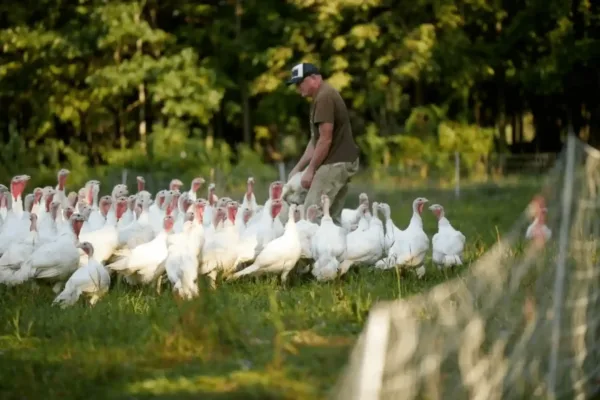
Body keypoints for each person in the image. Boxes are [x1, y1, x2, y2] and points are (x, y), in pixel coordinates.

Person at [286, 62, 360, 226]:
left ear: (314, 78)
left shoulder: (324, 97)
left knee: (312, 214)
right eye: (295, 85)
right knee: (331, 218)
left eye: (300, 83)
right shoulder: (321, 96)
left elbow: (326, 139)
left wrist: (310, 171)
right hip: (342, 161)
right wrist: (298, 168)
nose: (298, 88)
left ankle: (314, 252)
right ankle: (335, 250)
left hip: (336, 162)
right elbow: (315, 141)